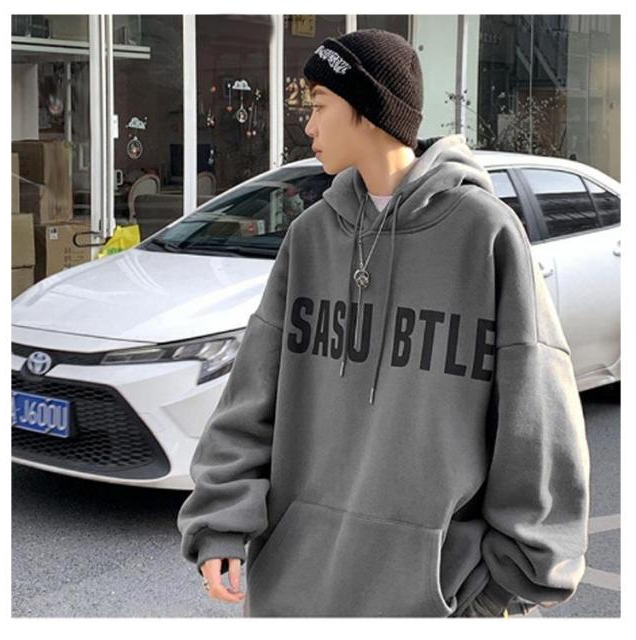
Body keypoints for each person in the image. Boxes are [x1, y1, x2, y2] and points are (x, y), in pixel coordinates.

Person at [177, 28, 590, 618]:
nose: (308, 126)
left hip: (432, 600)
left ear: (366, 110)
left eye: (320, 106)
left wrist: (504, 587)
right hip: (295, 589)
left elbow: (538, 422)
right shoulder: (311, 236)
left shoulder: (485, 234)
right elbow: (250, 400)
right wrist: (221, 522)